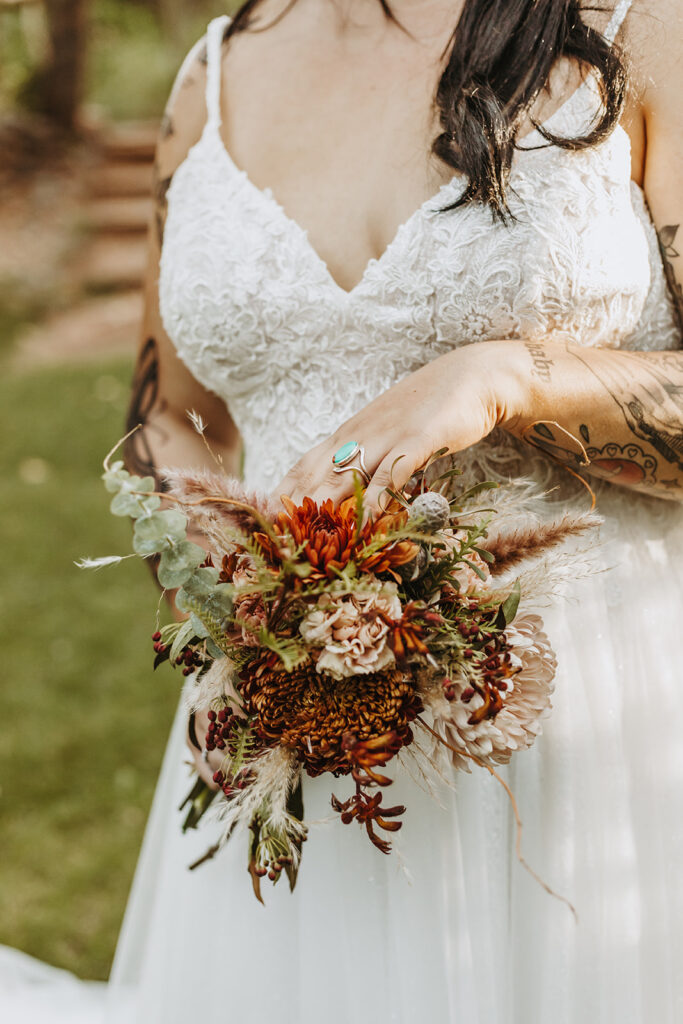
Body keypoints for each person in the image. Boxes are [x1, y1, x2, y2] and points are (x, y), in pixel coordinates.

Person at [2, 1, 682, 1021]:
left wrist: (507, 379)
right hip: (295, 750)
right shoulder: (215, 75)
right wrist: (222, 569)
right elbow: (166, 413)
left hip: (582, 736)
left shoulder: (643, 29)